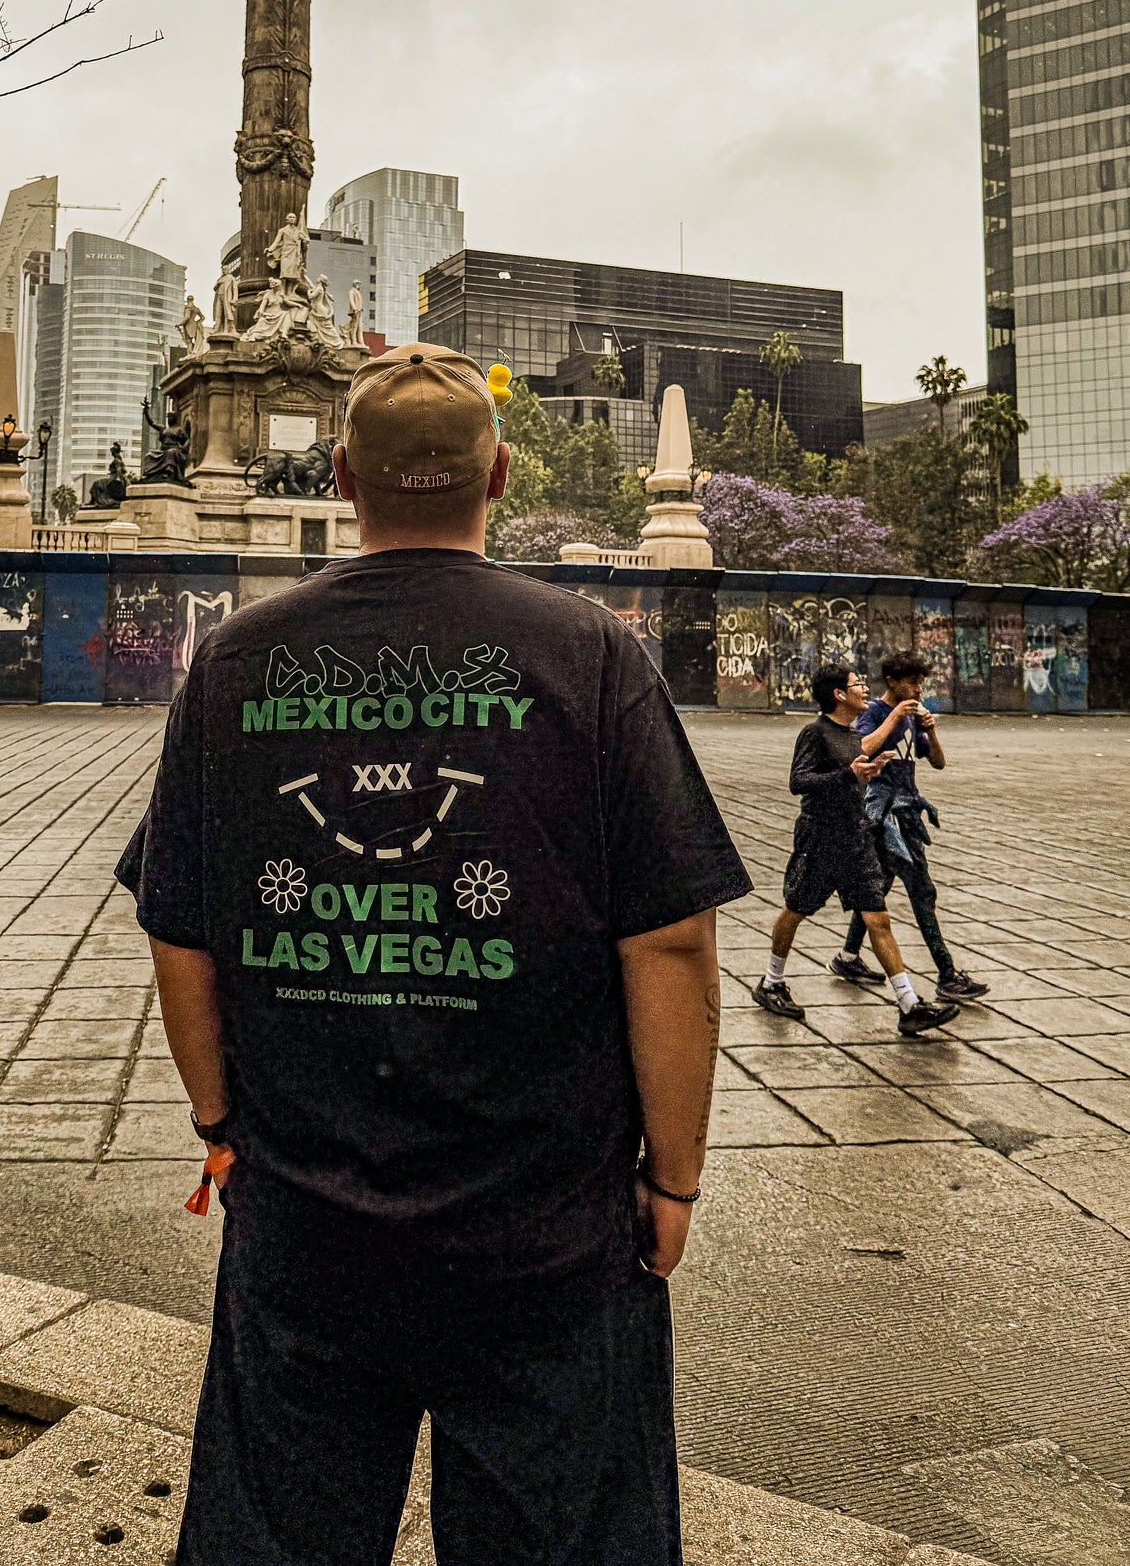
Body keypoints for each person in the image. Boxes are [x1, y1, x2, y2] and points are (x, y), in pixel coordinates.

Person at [118, 341, 753, 1566]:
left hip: (303, 1213)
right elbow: (669, 942)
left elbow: (178, 925)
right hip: (547, 1222)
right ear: (499, 472)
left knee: (279, 1532)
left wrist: (218, 1126)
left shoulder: (237, 663)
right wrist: (669, 1176)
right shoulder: (589, 653)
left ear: (342, 477)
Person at [750, 662, 959, 1038]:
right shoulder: (815, 733)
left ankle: (909, 1004)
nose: (864, 688)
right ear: (839, 695)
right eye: (856, 684)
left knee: (878, 918)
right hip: (820, 839)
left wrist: (872, 768)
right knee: (795, 911)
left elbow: (864, 757)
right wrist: (851, 774)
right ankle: (771, 981)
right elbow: (799, 781)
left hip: (856, 838)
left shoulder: (850, 736)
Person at [835, 652, 988, 1003]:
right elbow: (860, 749)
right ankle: (947, 974)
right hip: (885, 815)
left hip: (908, 810)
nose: (918, 689)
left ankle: (847, 956)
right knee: (922, 891)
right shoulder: (874, 713)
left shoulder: (913, 716)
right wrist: (894, 717)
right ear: (892, 682)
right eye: (912, 683)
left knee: (879, 887)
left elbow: (937, 762)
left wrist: (931, 732)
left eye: (921, 683)